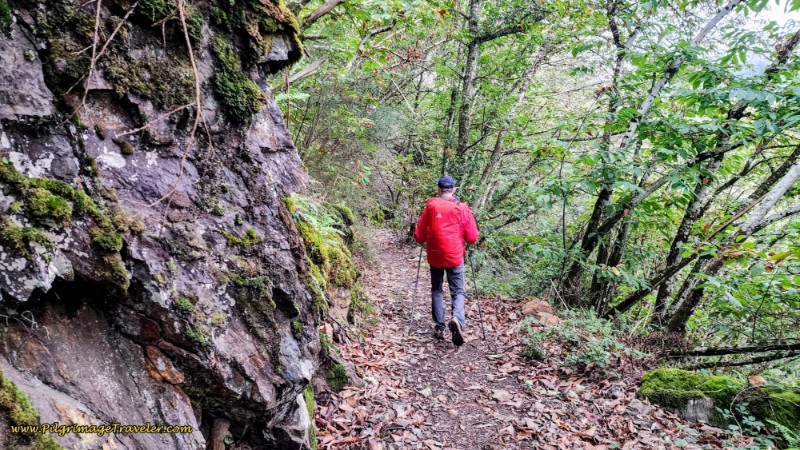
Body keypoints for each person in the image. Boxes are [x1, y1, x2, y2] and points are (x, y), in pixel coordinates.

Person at [414, 175, 479, 346]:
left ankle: (439, 327)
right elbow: (472, 237)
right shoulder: (462, 208)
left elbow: (419, 236)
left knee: (437, 290)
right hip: (455, 256)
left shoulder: (431, 206)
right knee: (458, 291)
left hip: (435, 256)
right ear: (454, 190)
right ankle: (457, 319)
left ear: (438, 190)